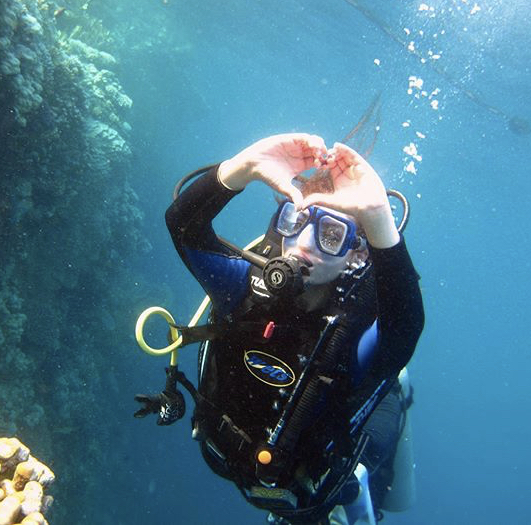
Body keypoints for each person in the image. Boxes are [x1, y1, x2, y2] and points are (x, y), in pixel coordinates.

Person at [137, 133, 424, 524]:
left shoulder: (351, 331)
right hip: (238, 461)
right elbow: (184, 226)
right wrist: (243, 168)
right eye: (295, 218)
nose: (303, 244)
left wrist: (377, 218)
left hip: (314, 480)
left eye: (331, 234)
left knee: (374, 465)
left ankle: (397, 390)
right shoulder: (244, 289)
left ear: (358, 253)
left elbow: (403, 330)